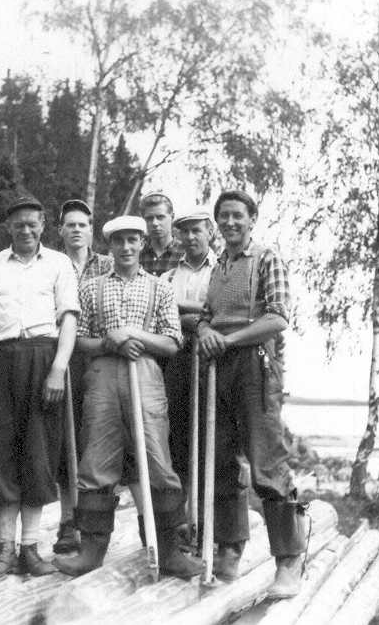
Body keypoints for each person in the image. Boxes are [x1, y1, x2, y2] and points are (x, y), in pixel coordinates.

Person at [52, 215, 204, 579]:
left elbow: (172, 341)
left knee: (156, 456)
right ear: (110, 245)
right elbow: (79, 341)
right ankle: (90, 551)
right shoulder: (90, 288)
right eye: (119, 241)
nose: (126, 247)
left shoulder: (160, 288)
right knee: (97, 459)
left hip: (147, 373)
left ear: (140, 244)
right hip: (103, 374)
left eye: (132, 240)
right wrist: (109, 340)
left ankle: (169, 551)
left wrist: (133, 334)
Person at [0, 196, 79, 579]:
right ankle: (4, 550)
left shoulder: (59, 264)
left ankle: (31, 547)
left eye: (32, 224)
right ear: (7, 228)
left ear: (43, 224)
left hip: (43, 358)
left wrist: (59, 367)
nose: (25, 231)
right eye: (18, 225)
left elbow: (69, 321)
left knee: (39, 453)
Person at [196, 190, 306, 597]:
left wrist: (231, 339)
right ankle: (229, 549)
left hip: (256, 365)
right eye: (223, 217)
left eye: (237, 216)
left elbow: (278, 317)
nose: (229, 223)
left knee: (266, 461)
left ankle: (289, 561)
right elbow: (208, 315)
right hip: (218, 366)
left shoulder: (265, 259)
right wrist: (207, 331)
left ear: (252, 219)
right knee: (222, 459)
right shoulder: (219, 265)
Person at [52, 199, 113, 554]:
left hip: (99, 359)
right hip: (62, 361)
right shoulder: (52, 265)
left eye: (82, 224)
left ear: (91, 229)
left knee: (96, 441)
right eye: (69, 224)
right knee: (65, 442)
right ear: (60, 230)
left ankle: (94, 524)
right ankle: (67, 522)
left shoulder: (106, 265)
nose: (76, 230)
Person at [160, 207, 217, 516]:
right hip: (177, 358)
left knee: (211, 438)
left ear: (210, 232)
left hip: (211, 358)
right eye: (185, 231)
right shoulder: (169, 275)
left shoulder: (222, 271)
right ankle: (181, 519)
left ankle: (207, 519)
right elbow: (162, 315)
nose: (191, 237)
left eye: (197, 230)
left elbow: (218, 312)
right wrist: (199, 312)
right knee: (177, 436)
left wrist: (181, 307)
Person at [138, 191, 186, 277]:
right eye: (149, 218)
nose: (155, 223)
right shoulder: (137, 254)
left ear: (172, 217)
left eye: (160, 217)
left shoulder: (185, 254)